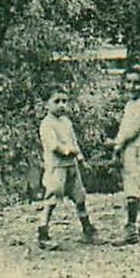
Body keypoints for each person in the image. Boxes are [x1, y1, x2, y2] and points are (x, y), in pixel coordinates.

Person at [36, 87, 97, 249]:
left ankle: (87, 230)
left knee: (80, 197)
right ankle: (43, 233)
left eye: (64, 101)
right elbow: (54, 145)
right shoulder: (46, 124)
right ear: (46, 105)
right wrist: (68, 151)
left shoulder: (66, 122)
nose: (62, 105)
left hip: (72, 166)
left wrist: (80, 158)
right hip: (57, 168)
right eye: (56, 101)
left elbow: (74, 142)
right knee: (51, 200)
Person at [110, 64, 140, 245]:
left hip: (137, 150)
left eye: (137, 83)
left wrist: (117, 145)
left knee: (132, 189)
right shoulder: (132, 103)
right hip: (130, 149)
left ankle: (130, 230)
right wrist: (118, 143)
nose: (131, 87)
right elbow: (124, 128)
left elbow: (131, 131)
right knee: (135, 185)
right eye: (128, 82)